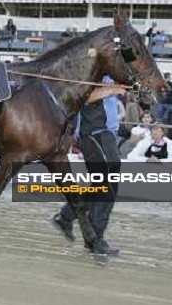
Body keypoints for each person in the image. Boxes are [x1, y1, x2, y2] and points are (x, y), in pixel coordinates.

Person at [51, 83, 127, 258]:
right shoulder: (94, 72)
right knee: (107, 186)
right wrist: (114, 89)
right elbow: (84, 95)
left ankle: (67, 216)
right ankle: (95, 238)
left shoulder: (109, 72)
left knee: (102, 185)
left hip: (104, 134)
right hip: (94, 133)